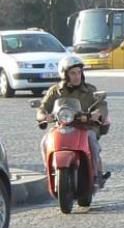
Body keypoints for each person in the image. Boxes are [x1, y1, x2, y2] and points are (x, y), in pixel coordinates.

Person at [36, 55, 110, 187]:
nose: (77, 76)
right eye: (73, 73)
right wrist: (43, 116)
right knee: (44, 142)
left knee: (92, 140)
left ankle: (96, 174)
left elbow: (102, 105)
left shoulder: (90, 90)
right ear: (65, 75)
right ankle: (49, 171)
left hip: (85, 126)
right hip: (61, 126)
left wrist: (97, 114)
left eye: (79, 72)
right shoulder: (55, 91)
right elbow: (43, 108)